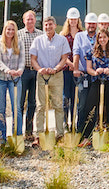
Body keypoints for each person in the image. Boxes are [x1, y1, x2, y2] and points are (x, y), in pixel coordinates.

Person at [29, 16, 71, 147]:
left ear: (55, 25)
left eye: (50, 25)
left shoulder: (62, 40)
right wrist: (40, 69)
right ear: (43, 26)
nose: (48, 27)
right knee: (41, 106)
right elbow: (33, 59)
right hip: (42, 76)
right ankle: (39, 135)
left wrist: (56, 68)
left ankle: (59, 134)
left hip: (57, 75)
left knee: (58, 105)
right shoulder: (38, 40)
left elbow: (65, 58)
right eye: (46, 25)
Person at [81, 28, 109, 146]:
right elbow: (89, 69)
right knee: (91, 108)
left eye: (104, 37)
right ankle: (87, 137)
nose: (102, 39)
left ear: (108, 38)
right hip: (97, 82)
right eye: (100, 37)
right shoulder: (91, 52)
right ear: (97, 39)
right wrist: (96, 72)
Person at [0, 20, 25, 143]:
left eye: (12, 29)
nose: (10, 32)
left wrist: (20, 70)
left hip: (15, 80)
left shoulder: (19, 43)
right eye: (8, 29)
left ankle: (17, 136)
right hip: (0, 79)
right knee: (1, 108)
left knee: (16, 108)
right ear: (4, 30)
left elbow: (22, 60)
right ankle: (1, 137)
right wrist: (8, 70)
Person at [17, 10, 42, 141]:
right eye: (28, 19)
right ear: (23, 20)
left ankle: (29, 130)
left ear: (35, 20)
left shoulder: (41, 34)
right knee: (20, 102)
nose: (30, 21)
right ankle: (18, 131)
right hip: (23, 72)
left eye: (32, 18)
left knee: (32, 102)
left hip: (36, 72)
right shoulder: (18, 34)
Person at [72, 13, 97, 139]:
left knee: (93, 105)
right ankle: (80, 132)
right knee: (81, 105)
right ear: (85, 24)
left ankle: (91, 133)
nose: (91, 25)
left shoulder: (100, 36)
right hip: (83, 75)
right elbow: (76, 53)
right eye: (89, 23)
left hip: (97, 76)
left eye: (93, 23)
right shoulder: (79, 36)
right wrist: (75, 69)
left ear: (96, 24)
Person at [59, 8, 82, 131]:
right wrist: (71, 63)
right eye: (71, 19)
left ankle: (74, 122)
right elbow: (61, 54)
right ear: (68, 20)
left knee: (76, 98)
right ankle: (65, 123)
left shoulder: (82, 34)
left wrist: (77, 65)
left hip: (78, 72)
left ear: (78, 20)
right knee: (65, 97)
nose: (73, 21)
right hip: (66, 70)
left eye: (75, 19)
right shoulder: (63, 36)